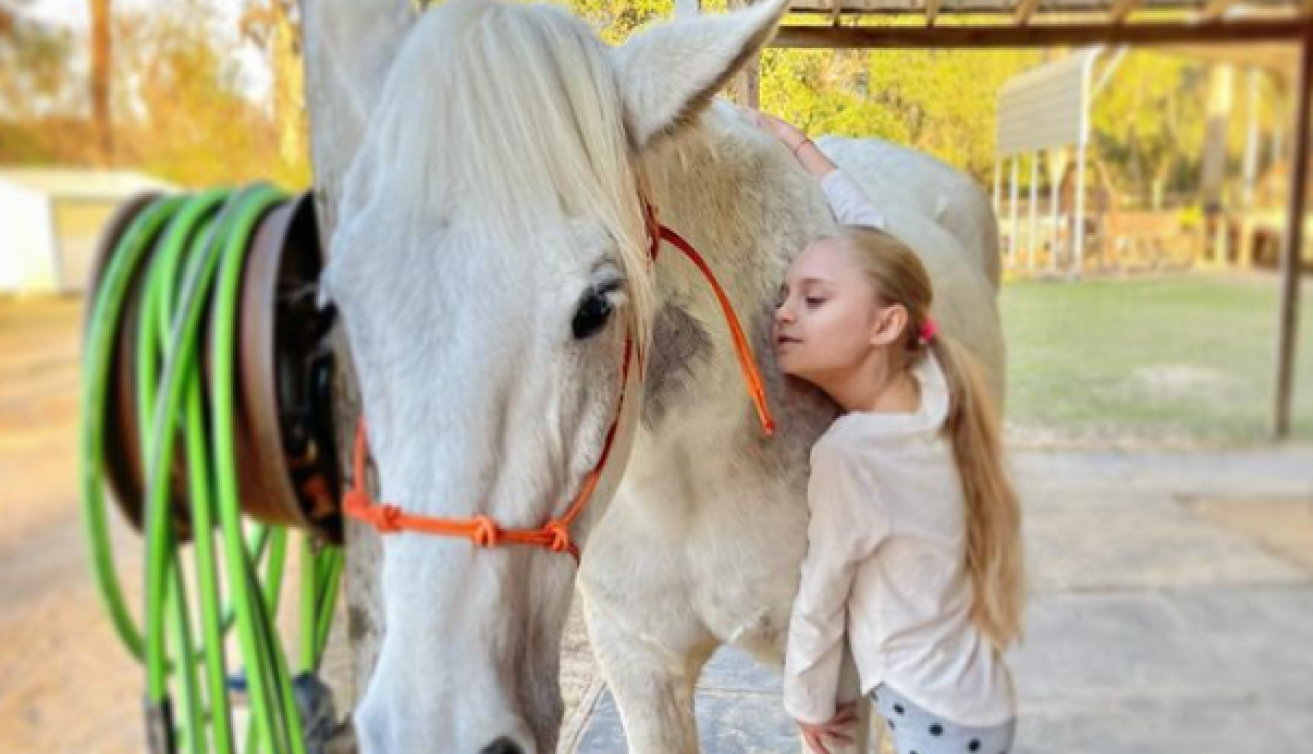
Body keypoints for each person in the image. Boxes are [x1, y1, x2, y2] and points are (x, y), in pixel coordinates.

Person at [751, 110, 1026, 754]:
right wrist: (799, 147)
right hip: (976, 701)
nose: (783, 311)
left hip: (929, 714)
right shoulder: (934, 379)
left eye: (813, 300)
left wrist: (807, 706)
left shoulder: (852, 455)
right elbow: (871, 238)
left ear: (882, 325)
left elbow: (820, 601)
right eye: (788, 293)